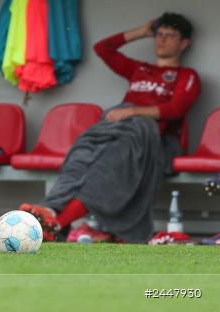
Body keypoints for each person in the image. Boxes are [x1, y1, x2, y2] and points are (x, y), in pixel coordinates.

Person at [21, 13, 201, 244]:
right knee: (79, 156)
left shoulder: (187, 76)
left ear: (184, 43)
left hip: (153, 136)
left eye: (170, 36)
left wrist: (132, 112)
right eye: (159, 35)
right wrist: (141, 31)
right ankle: (50, 211)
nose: (162, 40)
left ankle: (56, 224)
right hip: (114, 130)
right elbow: (103, 49)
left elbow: (176, 109)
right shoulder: (140, 69)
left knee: (107, 166)